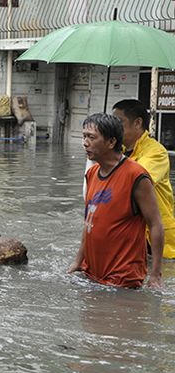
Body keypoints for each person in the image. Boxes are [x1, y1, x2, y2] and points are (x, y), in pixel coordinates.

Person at [67, 113, 163, 289]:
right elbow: (89, 222)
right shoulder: (92, 173)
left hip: (123, 277)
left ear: (111, 142)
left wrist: (156, 274)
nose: (85, 143)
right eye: (84, 136)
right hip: (92, 271)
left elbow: (155, 224)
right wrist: (78, 261)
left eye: (91, 137)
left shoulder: (136, 176)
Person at [112, 99, 175, 259]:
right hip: (132, 233)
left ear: (138, 123)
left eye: (119, 122)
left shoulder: (156, 152)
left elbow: (134, 179)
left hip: (156, 237)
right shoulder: (121, 151)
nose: (114, 128)